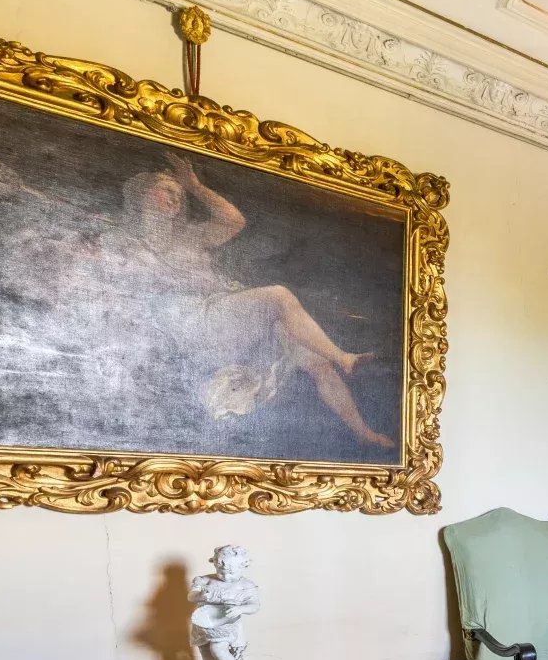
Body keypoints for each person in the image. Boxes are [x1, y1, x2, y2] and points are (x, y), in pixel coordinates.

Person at [118, 153, 393, 450]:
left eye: (179, 194)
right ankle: (343, 356)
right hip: (189, 326)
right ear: (143, 196)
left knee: (317, 360)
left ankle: (363, 432)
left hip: (217, 313)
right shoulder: (127, 242)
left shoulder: (191, 236)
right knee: (278, 295)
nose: (175, 198)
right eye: (167, 191)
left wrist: (196, 187)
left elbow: (234, 221)